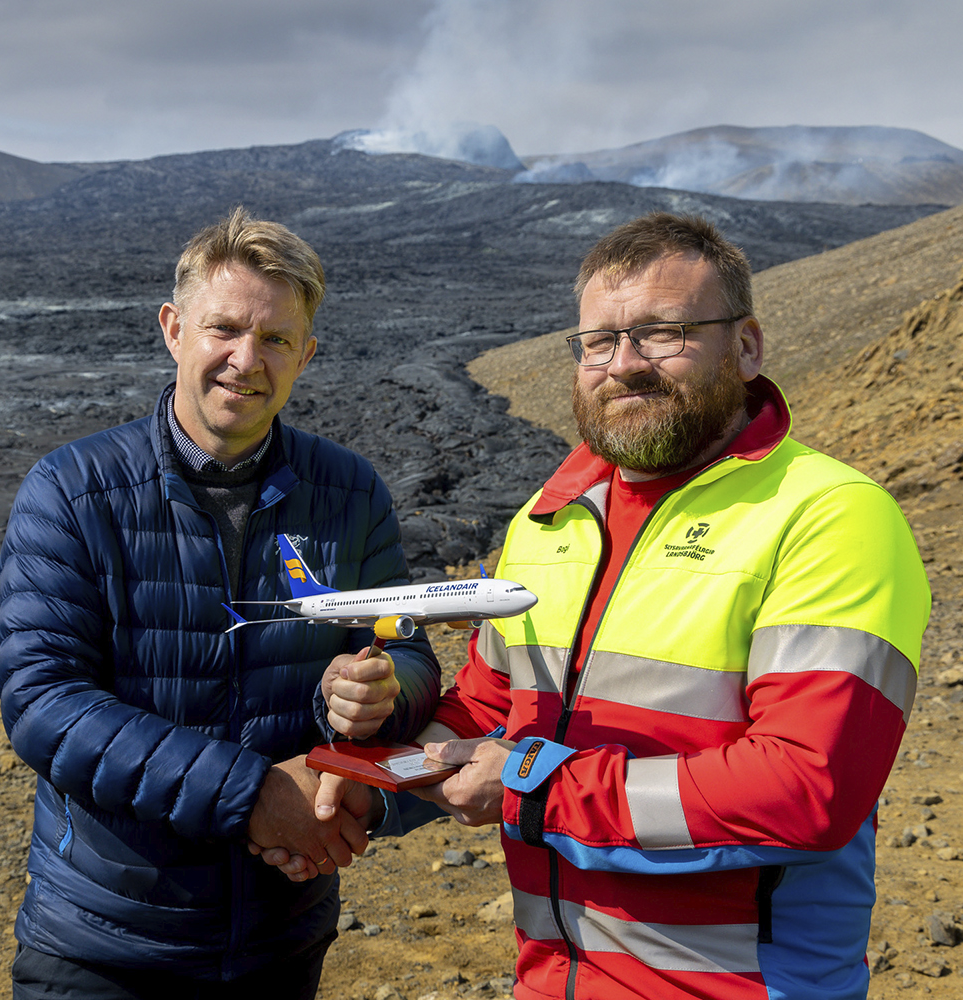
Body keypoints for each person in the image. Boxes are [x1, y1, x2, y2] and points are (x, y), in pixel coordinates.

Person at [365, 212, 928, 999]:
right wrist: (361, 760)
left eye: (664, 333)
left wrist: (538, 791)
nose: (623, 365)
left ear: (748, 346)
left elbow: (807, 789)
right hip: (552, 979)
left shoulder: (829, 515)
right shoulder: (549, 517)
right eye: (598, 342)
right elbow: (486, 713)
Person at [0, 206, 440, 999]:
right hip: (107, 945)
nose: (245, 359)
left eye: (274, 339)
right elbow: (43, 703)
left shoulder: (351, 492)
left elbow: (406, 651)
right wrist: (254, 796)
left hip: (281, 935)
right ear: (173, 329)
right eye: (223, 329)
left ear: (307, 353)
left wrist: (380, 694)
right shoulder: (71, 491)